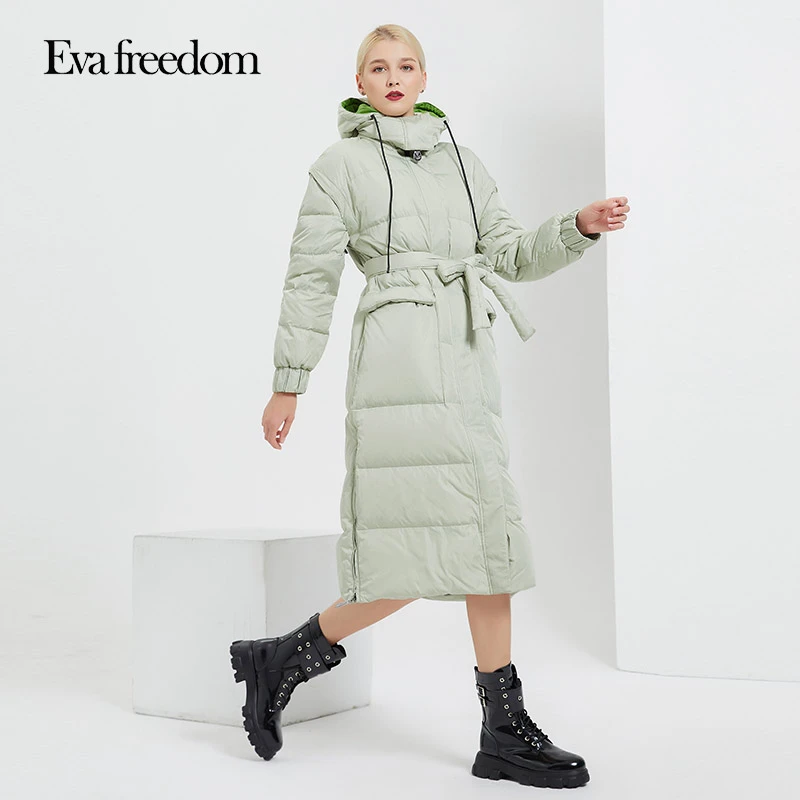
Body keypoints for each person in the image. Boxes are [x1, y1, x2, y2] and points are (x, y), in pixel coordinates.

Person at [230, 23, 629, 788]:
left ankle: (497, 728)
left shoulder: (464, 163)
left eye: (406, 65)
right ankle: (283, 659)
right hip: (399, 363)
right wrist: (289, 381)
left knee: (487, 542)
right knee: (415, 551)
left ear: (423, 77)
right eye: (378, 67)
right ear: (359, 81)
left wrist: (576, 227)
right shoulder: (340, 166)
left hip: (468, 360)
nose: (393, 77)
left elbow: (508, 254)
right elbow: (311, 278)